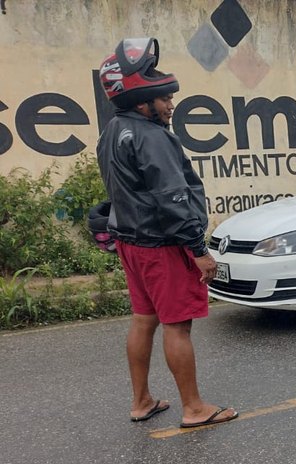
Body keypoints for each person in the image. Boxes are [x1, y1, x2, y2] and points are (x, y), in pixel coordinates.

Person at [95, 38, 237, 428]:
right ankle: (194, 408)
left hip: (130, 241)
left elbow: (125, 188)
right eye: (165, 99)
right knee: (177, 324)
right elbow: (172, 197)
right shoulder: (152, 137)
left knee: (143, 318)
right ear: (143, 101)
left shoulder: (113, 130)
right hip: (162, 244)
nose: (171, 105)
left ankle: (141, 401)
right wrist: (198, 249)